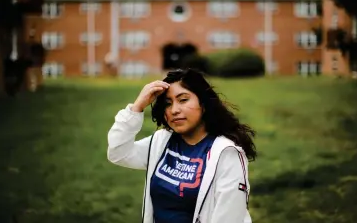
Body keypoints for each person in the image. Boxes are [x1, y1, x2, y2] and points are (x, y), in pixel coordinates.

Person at [107, 68, 257, 223]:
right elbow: (118, 153)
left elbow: (229, 218)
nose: (174, 110)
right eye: (168, 103)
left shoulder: (226, 153)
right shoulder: (162, 141)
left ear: (203, 104)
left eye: (183, 100)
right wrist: (137, 107)